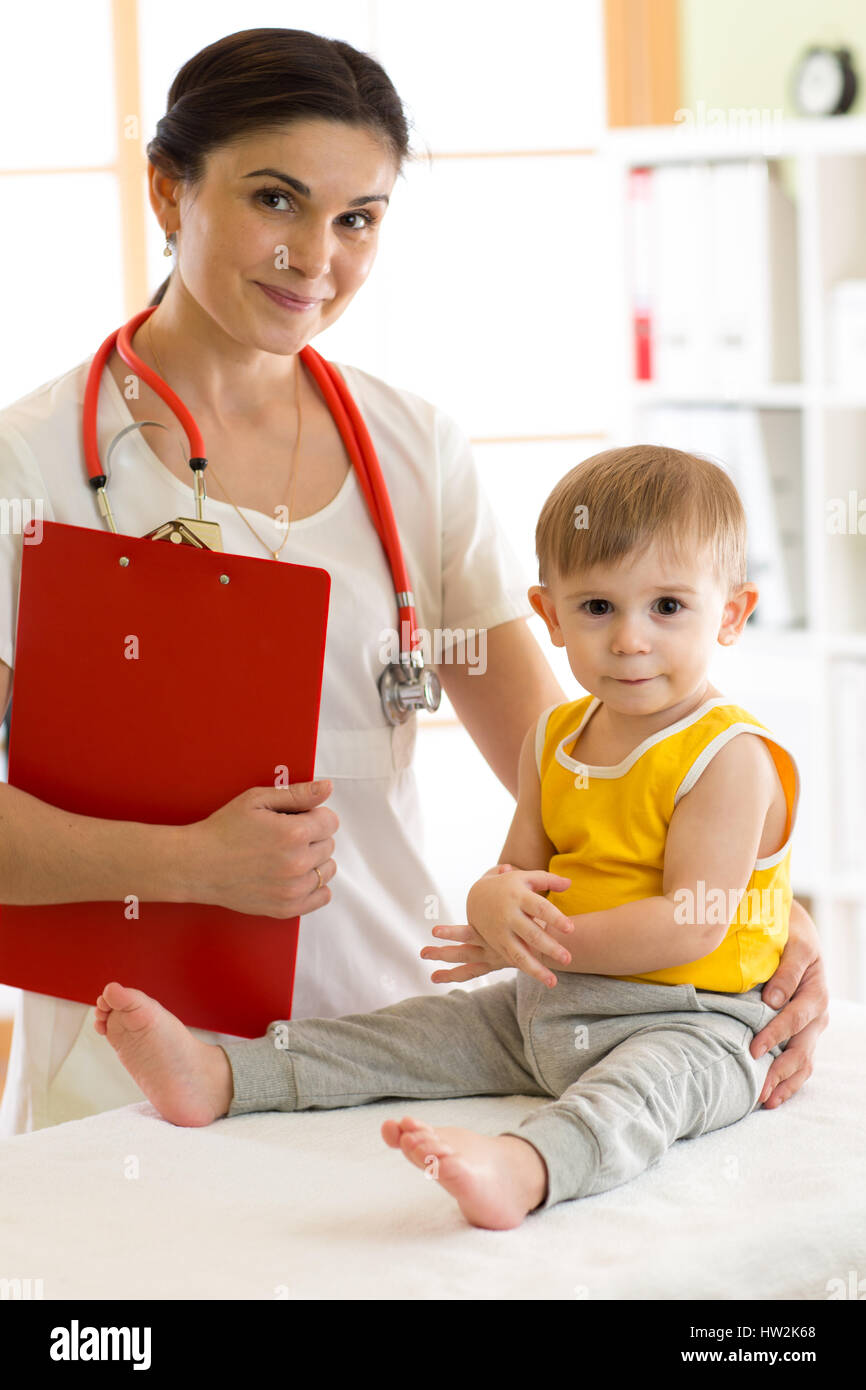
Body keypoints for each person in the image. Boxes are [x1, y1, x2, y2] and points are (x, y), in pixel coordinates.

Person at [0, 30, 826, 1136]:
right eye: (275, 200)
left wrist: (754, 911)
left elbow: (592, 758)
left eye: (357, 219)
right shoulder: (32, 463)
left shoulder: (411, 449)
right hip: (120, 1079)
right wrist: (189, 863)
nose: (315, 257)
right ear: (168, 187)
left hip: (381, 1052)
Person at [96, 446, 822, 1231]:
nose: (630, 641)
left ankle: (525, 1165)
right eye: (598, 608)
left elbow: (694, 920)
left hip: (696, 1019)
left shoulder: (729, 755)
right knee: (407, 1032)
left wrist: (536, 943)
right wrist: (493, 904)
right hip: (548, 1003)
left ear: (732, 614)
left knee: (644, 1093)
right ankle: (225, 1075)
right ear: (548, 616)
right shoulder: (554, 736)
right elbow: (518, 869)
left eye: (669, 607)